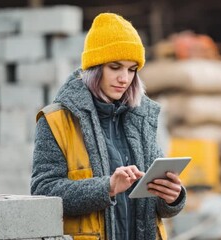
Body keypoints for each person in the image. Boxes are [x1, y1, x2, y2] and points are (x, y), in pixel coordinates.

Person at [31, 13, 186, 240]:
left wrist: (173, 197)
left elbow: (157, 206)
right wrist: (107, 187)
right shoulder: (56, 121)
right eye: (115, 67)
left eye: (132, 69)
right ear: (95, 67)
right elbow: (43, 192)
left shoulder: (143, 118)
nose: (125, 78)